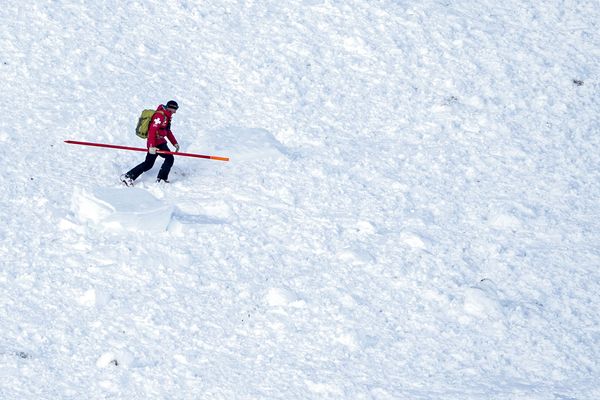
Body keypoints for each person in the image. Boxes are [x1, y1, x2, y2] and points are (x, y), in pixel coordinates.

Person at [121, 100, 180, 185]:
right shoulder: (160, 116)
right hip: (155, 142)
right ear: (171, 108)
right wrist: (152, 146)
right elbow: (152, 131)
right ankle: (161, 179)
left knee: (149, 164)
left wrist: (175, 143)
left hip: (160, 142)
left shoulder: (167, 117)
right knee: (169, 158)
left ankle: (128, 176)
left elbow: (167, 131)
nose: (175, 112)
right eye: (176, 109)